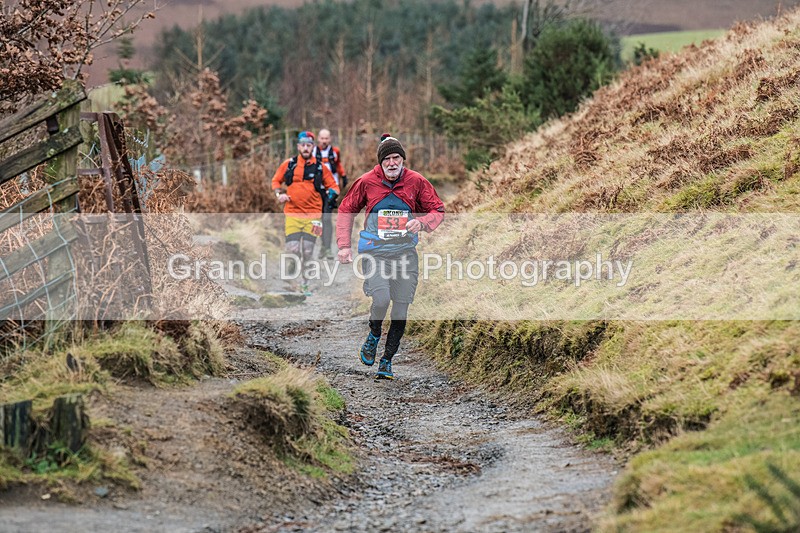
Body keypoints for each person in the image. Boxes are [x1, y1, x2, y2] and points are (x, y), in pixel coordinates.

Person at [336, 134, 445, 379]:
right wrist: (344, 246)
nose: (392, 163)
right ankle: (374, 333)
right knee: (382, 300)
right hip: (375, 253)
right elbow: (346, 210)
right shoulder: (366, 182)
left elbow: (437, 209)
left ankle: (387, 360)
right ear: (381, 162)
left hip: (405, 253)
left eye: (396, 157)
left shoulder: (416, 181)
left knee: (401, 309)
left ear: (402, 159)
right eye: (387, 159)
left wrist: (423, 222)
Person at [272, 130, 339, 293]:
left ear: (313, 147)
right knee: (293, 249)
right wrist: (279, 194)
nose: (306, 148)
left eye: (309, 145)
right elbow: (276, 181)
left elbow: (334, 186)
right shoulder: (289, 164)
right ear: (298, 147)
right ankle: (292, 267)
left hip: (313, 216)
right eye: (303, 145)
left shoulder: (320, 167)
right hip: (292, 214)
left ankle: (304, 283)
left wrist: (331, 194)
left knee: (308, 251)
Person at [315, 128, 348, 259]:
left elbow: (338, 164)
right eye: (322, 138)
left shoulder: (335, 152)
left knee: (327, 218)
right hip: (316, 190)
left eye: (326, 138)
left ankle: (327, 248)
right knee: (318, 220)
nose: (324, 141)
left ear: (330, 139)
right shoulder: (312, 152)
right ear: (318, 139)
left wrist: (343, 175)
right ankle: (321, 247)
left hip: (331, 190)